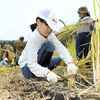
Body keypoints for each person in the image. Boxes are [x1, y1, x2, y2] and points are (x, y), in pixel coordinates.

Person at [18, 9, 78, 83]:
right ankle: (43, 73)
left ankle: (45, 68)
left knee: (60, 59)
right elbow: (32, 64)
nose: (49, 29)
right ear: (38, 22)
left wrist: (70, 63)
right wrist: (47, 73)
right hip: (27, 68)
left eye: (51, 27)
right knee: (48, 44)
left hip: (43, 63)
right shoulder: (33, 38)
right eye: (47, 25)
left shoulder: (50, 35)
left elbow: (60, 48)